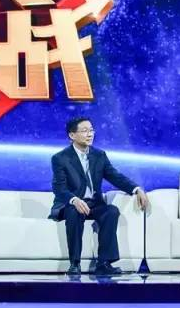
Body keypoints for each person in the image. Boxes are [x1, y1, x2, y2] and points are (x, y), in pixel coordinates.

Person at [49, 117, 149, 276]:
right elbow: (59, 188)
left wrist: (136, 189)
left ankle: (104, 263)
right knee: (74, 212)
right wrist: (74, 200)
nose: (89, 134)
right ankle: (74, 264)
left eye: (91, 130)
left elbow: (115, 176)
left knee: (111, 211)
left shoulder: (99, 155)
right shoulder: (60, 158)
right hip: (71, 204)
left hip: (94, 204)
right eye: (84, 131)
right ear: (72, 135)